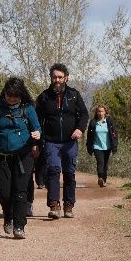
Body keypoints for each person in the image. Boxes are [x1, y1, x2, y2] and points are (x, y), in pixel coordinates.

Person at [0, 77, 41, 239]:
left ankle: (19, 226)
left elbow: (37, 128)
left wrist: (37, 134)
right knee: (4, 193)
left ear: (21, 94)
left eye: (15, 96)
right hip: (1, 157)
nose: (11, 99)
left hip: (23, 156)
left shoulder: (28, 108)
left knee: (20, 190)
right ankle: (8, 216)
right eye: (8, 96)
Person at [35, 63, 88, 219]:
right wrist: (38, 141)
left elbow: (84, 114)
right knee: (53, 170)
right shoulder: (44, 97)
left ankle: (69, 204)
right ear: (51, 78)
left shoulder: (74, 95)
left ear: (66, 77)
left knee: (69, 172)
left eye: (60, 77)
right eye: (54, 77)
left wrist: (80, 128)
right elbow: (37, 121)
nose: (57, 80)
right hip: (51, 142)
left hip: (70, 142)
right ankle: (54, 205)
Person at [86, 105, 119, 187]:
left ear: (105, 112)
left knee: (105, 163)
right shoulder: (93, 122)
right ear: (96, 113)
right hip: (97, 146)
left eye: (102, 111)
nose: (100, 113)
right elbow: (89, 136)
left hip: (107, 146)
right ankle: (100, 177)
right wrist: (89, 146)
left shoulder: (109, 122)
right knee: (100, 162)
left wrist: (114, 145)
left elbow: (114, 134)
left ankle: (104, 180)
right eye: (99, 111)